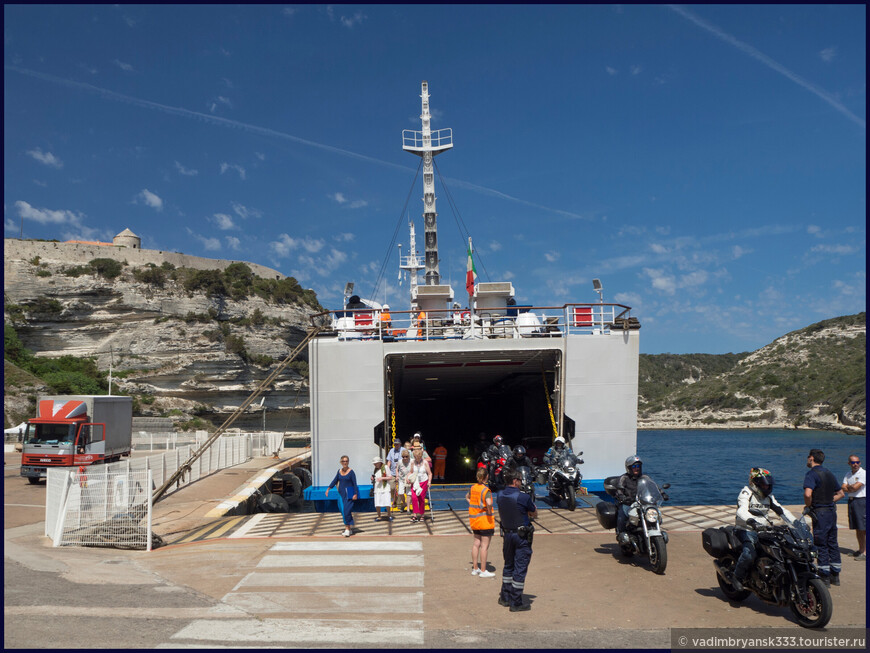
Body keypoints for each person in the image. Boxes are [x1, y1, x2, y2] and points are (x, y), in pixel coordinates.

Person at [729, 467, 797, 591]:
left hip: (764, 529)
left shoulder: (769, 496)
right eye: (763, 485)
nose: (766, 487)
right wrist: (751, 521)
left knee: (781, 549)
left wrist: (795, 522)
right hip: (746, 529)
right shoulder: (746, 493)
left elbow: (781, 510)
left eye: (768, 485)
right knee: (749, 554)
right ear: (754, 483)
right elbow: (741, 510)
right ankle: (736, 577)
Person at [804, 449, 845, 586]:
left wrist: (808, 506)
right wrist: (829, 500)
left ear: (811, 458)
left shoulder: (811, 474)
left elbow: (808, 494)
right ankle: (835, 574)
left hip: (820, 512)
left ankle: (824, 575)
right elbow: (841, 494)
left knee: (820, 542)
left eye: (808, 457)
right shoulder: (829, 473)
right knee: (832, 542)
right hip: (831, 512)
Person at [497, 469, 537, 612]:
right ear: (515, 481)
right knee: (520, 568)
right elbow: (534, 513)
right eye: (520, 480)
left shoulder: (500, 494)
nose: (521, 483)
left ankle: (505, 597)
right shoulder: (523, 497)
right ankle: (516, 602)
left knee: (508, 565)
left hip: (507, 535)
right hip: (521, 536)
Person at [466, 467, 495, 578]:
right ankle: (483, 570)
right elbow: (489, 502)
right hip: (485, 521)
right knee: (484, 546)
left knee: (476, 543)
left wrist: (474, 505)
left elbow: (467, 497)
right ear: (486, 477)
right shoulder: (485, 490)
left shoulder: (473, 488)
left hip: (475, 520)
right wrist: (487, 509)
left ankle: (475, 568)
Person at [325, 455, 359, 537]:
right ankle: (349, 529)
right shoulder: (339, 471)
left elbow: (355, 484)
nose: (345, 463)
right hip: (341, 494)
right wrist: (328, 488)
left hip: (349, 494)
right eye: (343, 461)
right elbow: (335, 480)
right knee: (343, 511)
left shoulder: (351, 472)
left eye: (346, 461)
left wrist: (355, 494)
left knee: (346, 511)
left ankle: (347, 529)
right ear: (341, 462)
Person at [614, 455, 643, 546]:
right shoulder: (624, 478)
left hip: (641, 503)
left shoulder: (644, 477)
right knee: (622, 515)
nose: (636, 469)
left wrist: (661, 492)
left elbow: (653, 486)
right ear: (629, 468)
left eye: (638, 466)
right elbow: (619, 489)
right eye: (634, 466)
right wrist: (621, 496)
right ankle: (621, 533)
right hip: (628, 503)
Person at [841, 454, 865, 561]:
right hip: (852, 501)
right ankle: (860, 550)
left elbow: (855, 488)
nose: (855, 464)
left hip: (861, 501)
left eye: (857, 462)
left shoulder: (863, 473)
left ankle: (865, 552)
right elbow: (842, 487)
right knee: (857, 527)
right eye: (853, 462)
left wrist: (849, 488)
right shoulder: (848, 474)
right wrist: (849, 488)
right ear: (849, 463)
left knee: (863, 527)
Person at [408, 446, 431, 523]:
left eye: (418, 457)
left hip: (423, 482)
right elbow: (411, 472)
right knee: (414, 498)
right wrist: (408, 478)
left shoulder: (425, 462)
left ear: (421, 456)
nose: (417, 458)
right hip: (415, 482)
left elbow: (430, 474)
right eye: (415, 457)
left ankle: (422, 515)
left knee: (421, 498)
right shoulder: (412, 462)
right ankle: (415, 514)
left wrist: (429, 482)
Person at [371, 457, 394, 521]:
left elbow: (390, 477)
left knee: (387, 501)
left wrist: (382, 478)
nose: (375, 465)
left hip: (385, 487)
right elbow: (376, 476)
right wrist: (373, 478)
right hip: (378, 487)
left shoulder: (385, 467)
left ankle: (389, 515)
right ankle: (379, 516)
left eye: (376, 463)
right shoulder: (375, 469)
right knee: (377, 502)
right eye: (374, 464)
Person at [385, 438, 404, 508]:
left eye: (397, 444)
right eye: (395, 444)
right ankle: (394, 500)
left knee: (400, 489)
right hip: (392, 473)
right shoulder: (391, 451)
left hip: (401, 473)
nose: (396, 445)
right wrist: (387, 470)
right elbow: (389, 461)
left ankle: (398, 503)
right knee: (392, 488)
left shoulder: (403, 450)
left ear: (400, 444)